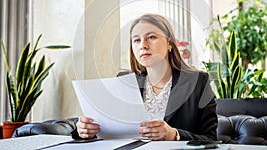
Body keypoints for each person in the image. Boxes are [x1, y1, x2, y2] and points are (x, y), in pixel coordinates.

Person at [73, 14, 218, 141]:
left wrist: (175, 135)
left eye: (151, 37)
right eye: (136, 40)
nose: (143, 45)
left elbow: (211, 139)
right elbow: (108, 128)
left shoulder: (198, 82)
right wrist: (85, 131)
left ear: (169, 43)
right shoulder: (123, 81)